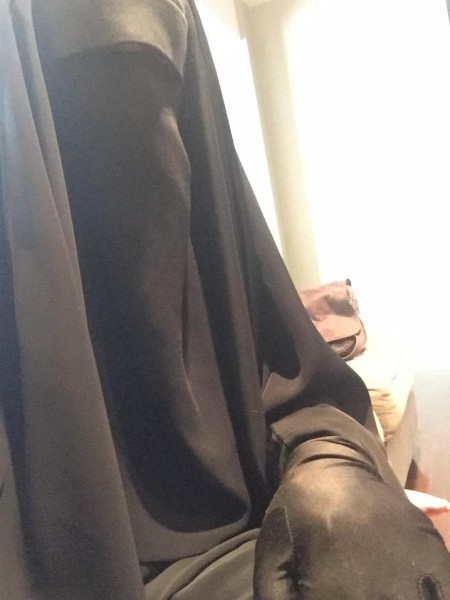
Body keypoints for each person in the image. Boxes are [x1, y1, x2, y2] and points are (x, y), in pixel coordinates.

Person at [1, 0, 449, 598]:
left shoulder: (221, 284)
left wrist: (331, 471)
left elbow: (297, 392)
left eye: (140, 79)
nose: (111, 136)